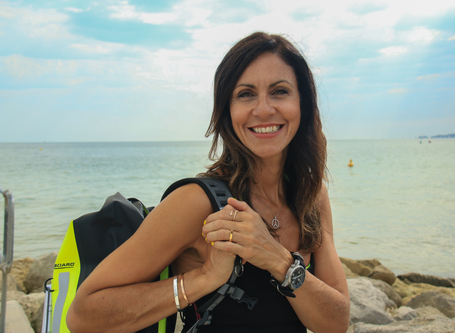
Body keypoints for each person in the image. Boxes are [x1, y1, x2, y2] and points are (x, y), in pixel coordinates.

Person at [67, 32, 350, 333]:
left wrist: (280, 261)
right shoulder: (196, 202)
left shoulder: (310, 195)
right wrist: (203, 278)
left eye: (280, 91)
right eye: (246, 94)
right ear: (227, 111)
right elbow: (83, 316)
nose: (264, 109)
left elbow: (336, 322)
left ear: (303, 104)